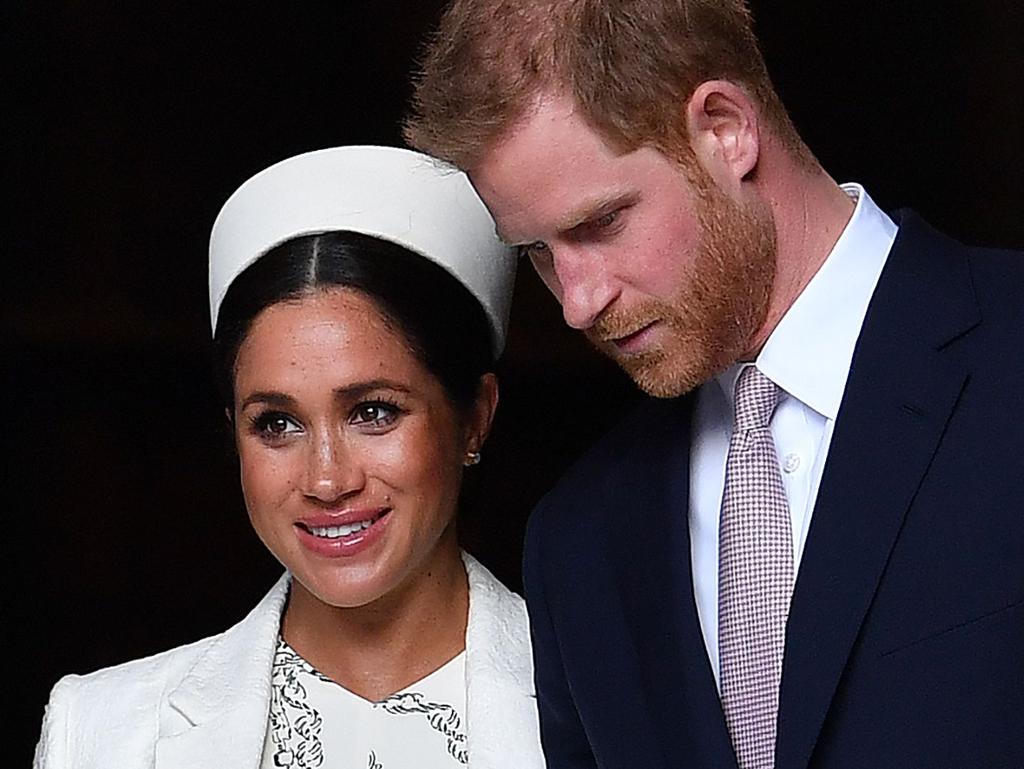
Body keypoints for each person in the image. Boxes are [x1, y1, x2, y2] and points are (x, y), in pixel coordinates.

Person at [402, 2, 1024, 768]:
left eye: (601, 223)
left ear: (726, 127)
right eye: (536, 249)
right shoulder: (578, 543)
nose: (575, 302)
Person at [33, 146, 545, 769]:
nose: (327, 479)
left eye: (373, 412)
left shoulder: (609, 706)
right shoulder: (105, 733)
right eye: (277, 424)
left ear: (475, 416)